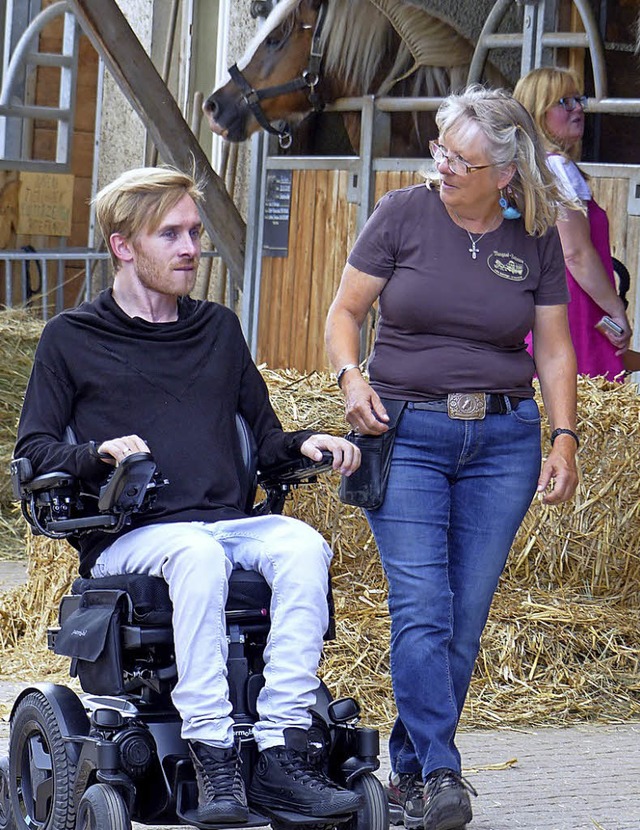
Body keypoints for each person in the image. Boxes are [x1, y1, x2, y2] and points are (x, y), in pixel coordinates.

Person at [14, 166, 363, 826]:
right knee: (194, 554)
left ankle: (282, 753)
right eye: (169, 234)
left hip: (225, 523)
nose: (189, 248)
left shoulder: (217, 329)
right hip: (132, 537)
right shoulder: (73, 337)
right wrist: (97, 454)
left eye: (194, 232)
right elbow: (33, 453)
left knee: (302, 546)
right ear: (123, 245)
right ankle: (213, 755)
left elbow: (264, 441)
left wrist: (310, 442)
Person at [325, 86, 579, 830]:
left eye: (462, 161)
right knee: (422, 609)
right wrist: (350, 375)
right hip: (406, 432)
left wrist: (564, 434)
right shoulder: (402, 214)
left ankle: (409, 773)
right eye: (440, 151)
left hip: (502, 439)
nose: (444, 168)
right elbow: (345, 312)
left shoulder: (533, 233)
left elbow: (556, 347)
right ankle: (441, 771)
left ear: (506, 171)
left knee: (464, 619)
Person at [513, 67, 632, 380]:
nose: (577, 108)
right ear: (538, 114)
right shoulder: (558, 168)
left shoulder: (531, 167)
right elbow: (575, 254)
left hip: (545, 302)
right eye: (564, 102)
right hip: (574, 306)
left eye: (578, 99)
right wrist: (616, 309)